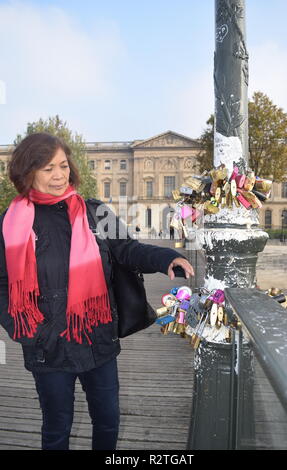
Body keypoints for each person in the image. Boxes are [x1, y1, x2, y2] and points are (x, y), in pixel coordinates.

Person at [0, 133, 194, 451]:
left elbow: (127, 249)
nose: (59, 175)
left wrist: (165, 258)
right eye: (48, 168)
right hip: (48, 346)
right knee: (56, 428)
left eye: (63, 165)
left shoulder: (95, 212)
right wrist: (23, 328)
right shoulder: (9, 224)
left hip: (97, 338)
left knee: (108, 422)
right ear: (27, 172)